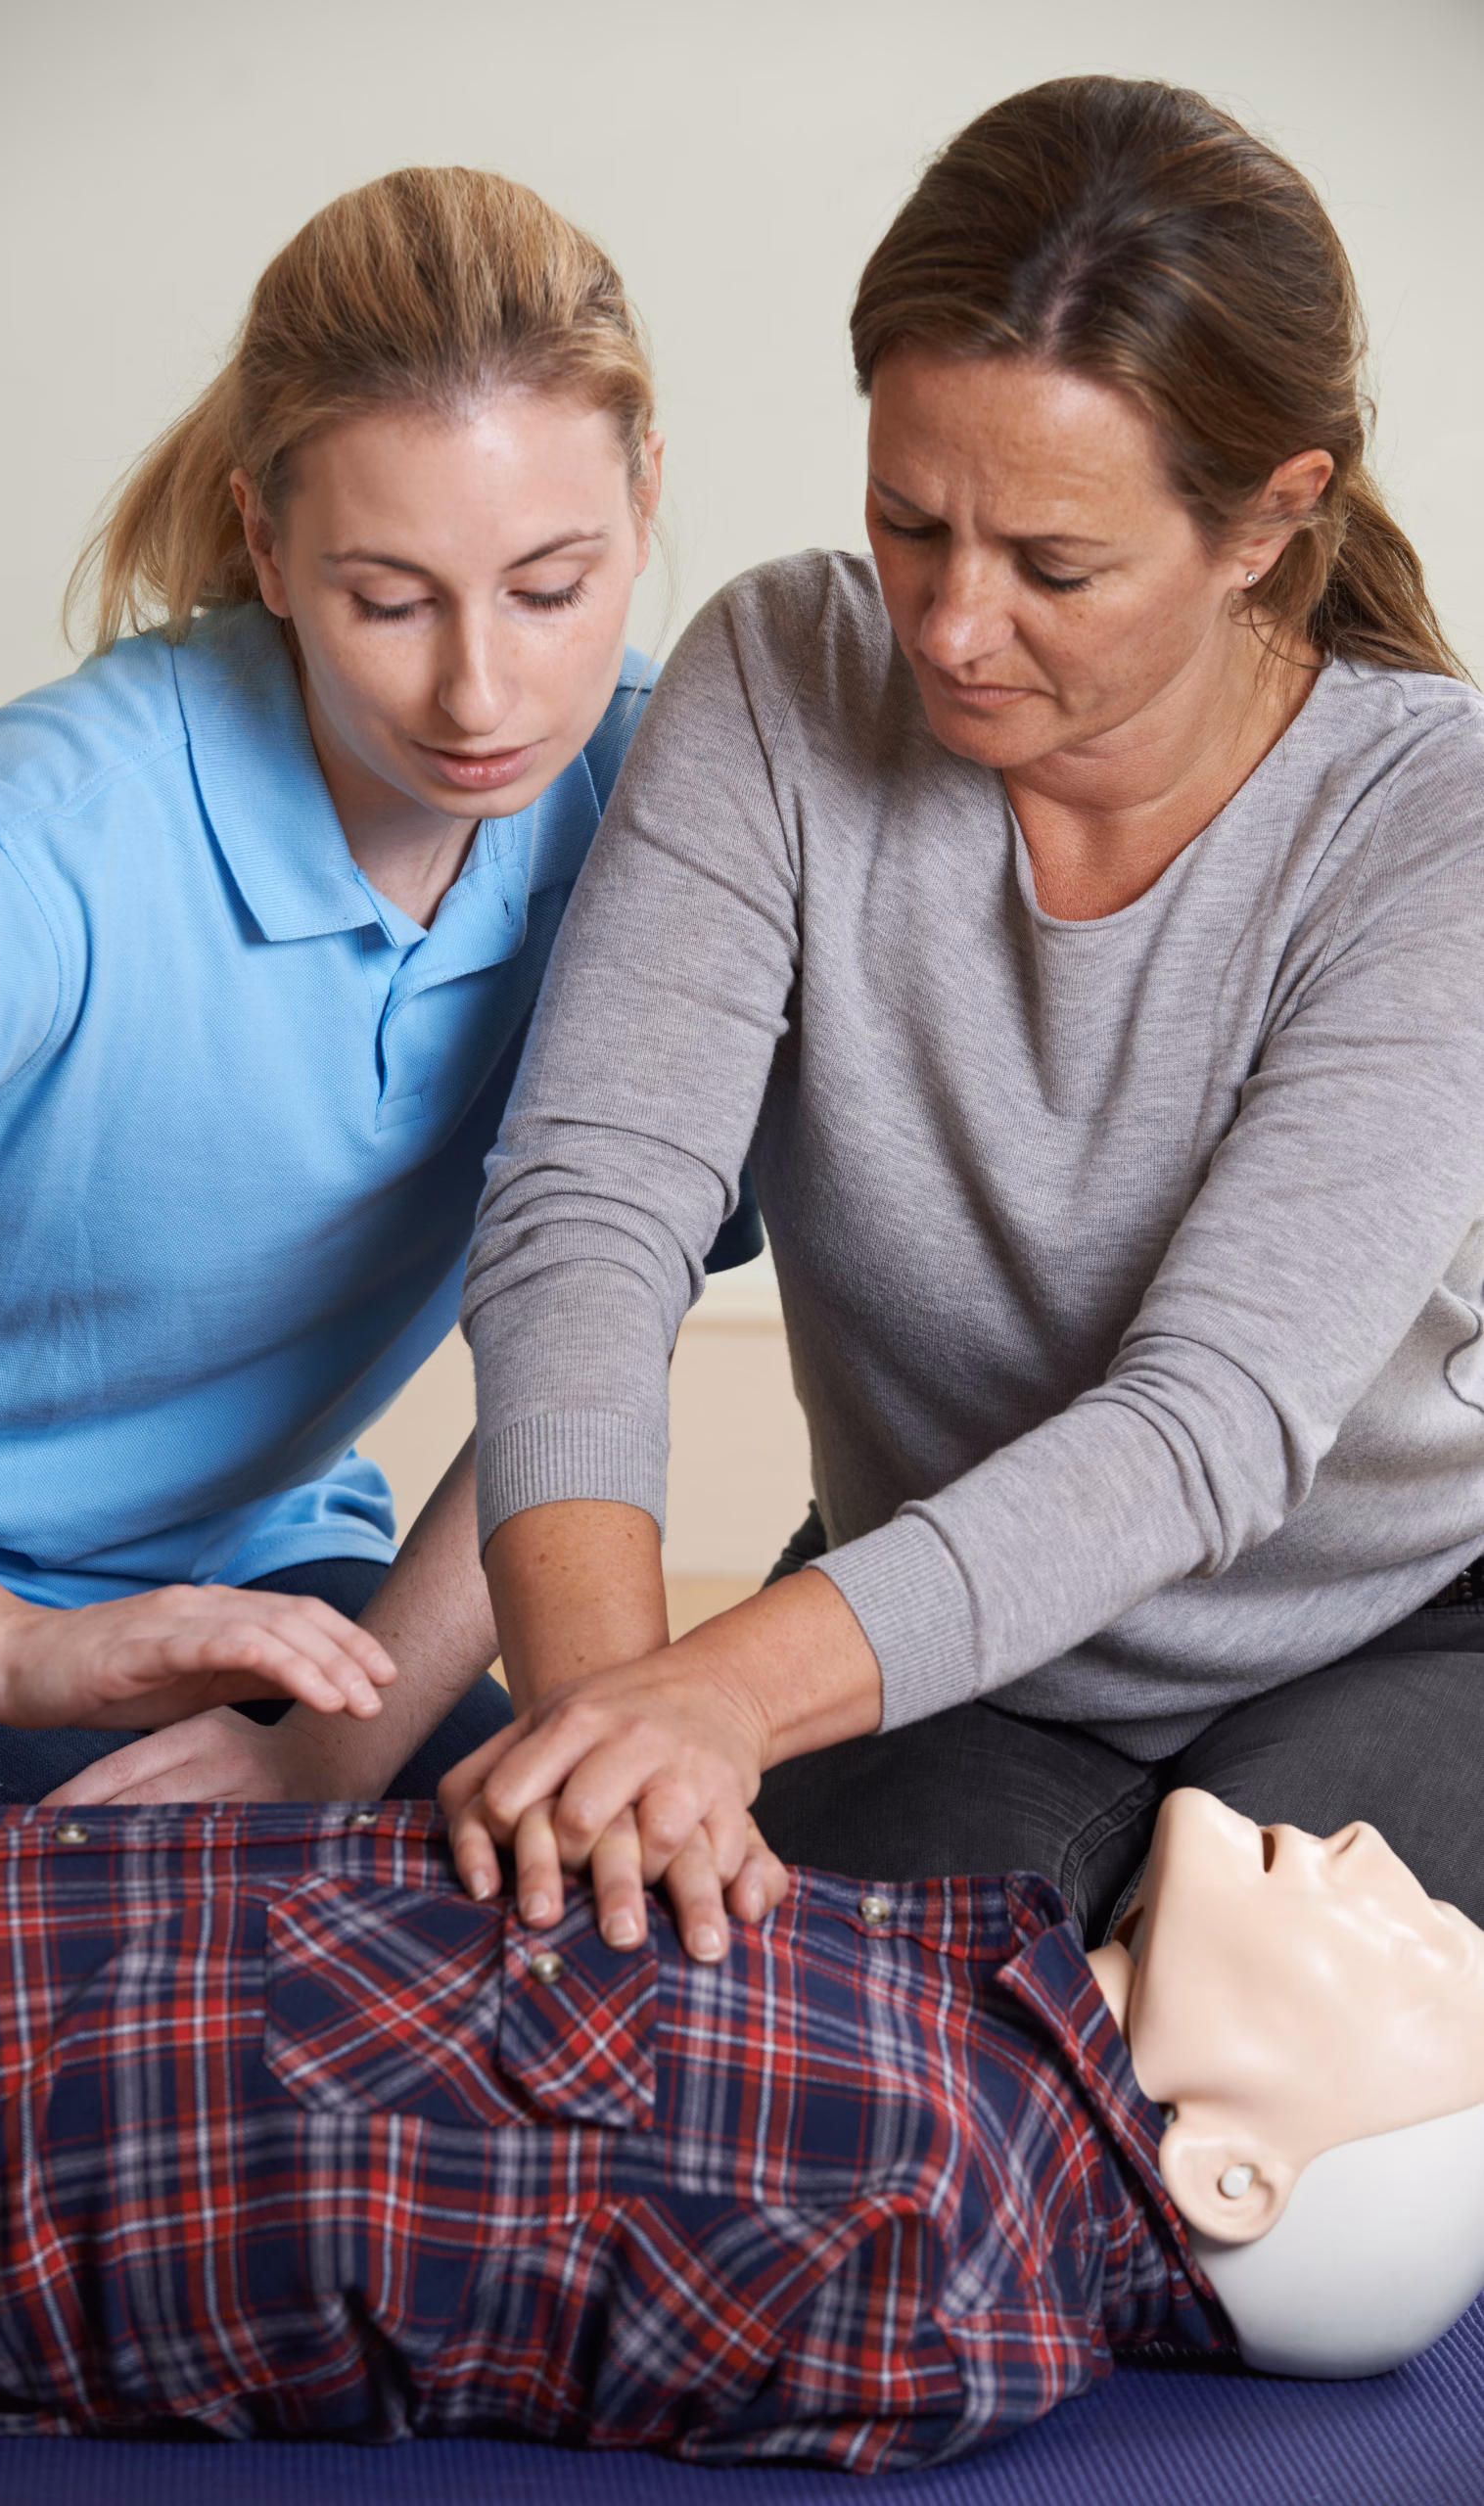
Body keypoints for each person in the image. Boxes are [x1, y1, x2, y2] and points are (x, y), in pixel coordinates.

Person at [442, 75, 1484, 1963]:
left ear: (1268, 521)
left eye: (1054, 568)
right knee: (742, 2021)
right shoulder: (777, 677)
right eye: (910, 522)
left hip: (1401, 1622)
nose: (950, 624)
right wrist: (612, 1739)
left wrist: (727, 1696)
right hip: (938, 1626)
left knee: (1219, 2094)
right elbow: (588, 1216)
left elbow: (1207, 1423)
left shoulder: (1436, 825)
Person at [0, 166, 764, 1925]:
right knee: (158, 1956)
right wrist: (0, 1645)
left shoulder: (671, 803)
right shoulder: (44, 836)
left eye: (551, 588)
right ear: (265, 547)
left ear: (642, 503)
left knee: (521, 1916)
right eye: (388, 602)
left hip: (252, 1559)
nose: (481, 697)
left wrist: (352, 1729)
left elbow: (591, 1343)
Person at [0, 1787, 1482, 2460]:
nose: (1368, 1853)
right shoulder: (976, 1989)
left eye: (1409, 1958)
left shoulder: (931, 2224)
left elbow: (401, 2277)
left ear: (1232, 2172)